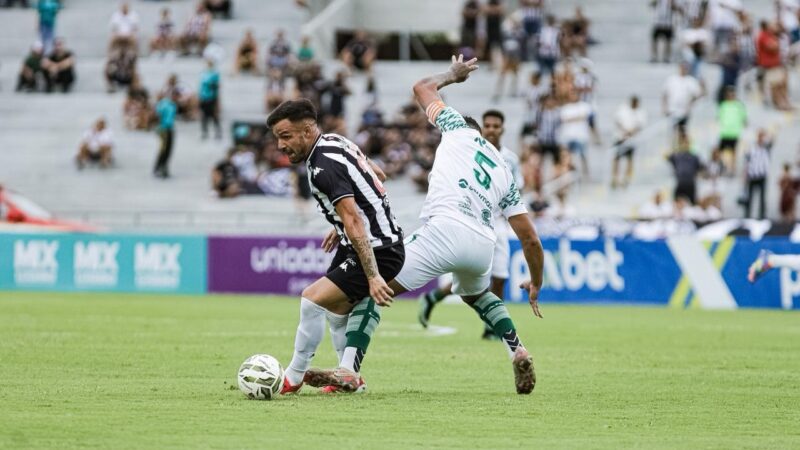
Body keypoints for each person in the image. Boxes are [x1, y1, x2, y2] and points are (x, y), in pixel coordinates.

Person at [304, 56, 544, 395]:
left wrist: (453, 75)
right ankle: (517, 349)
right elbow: (530, 238)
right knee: (478, 295)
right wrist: (536, 282)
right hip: (481, 245)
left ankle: (347, 369)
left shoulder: (457, 128)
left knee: (373, 284)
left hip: (444, 230)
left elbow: (421, 88)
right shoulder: (504, 170)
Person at [266, 99, 403, 395]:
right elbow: (377, 175)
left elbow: (354, 218)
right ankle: (348, 378)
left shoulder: (322, 165)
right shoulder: (335, 141)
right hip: (369, 239)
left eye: (286, 136)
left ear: (306, 130)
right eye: (277, 137)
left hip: (379, 248)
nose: (280, 145)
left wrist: (373, 275)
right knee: (336, 311)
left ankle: (294, 376)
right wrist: (337, 222)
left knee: (311, 299)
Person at [418, 108, 526, 341]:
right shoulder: (468, 147)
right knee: (470, 277)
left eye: (496, 126)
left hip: (498, 221)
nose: (492, 130)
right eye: (488, 125)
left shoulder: (510, 160)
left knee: (499, 276)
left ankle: (488, 327)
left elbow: (518, 191)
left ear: (502, 129)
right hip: (472, 218)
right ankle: (438, 297)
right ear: (483, 127)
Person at [611, 95, 648, 188]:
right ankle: (615, 178)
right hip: (620, 137)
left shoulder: (641, 112)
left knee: (629, 159)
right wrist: (625, 131)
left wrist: (630, 132)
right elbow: (617, 121)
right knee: (616, 158)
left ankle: (626, 179)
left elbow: (640, 126)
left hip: (631, 139)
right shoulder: (623, 109)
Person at [662, 63, 703, 139]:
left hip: (684, 111)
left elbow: (698, 94)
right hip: (672, 109)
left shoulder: (690, 81)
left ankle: (682, 146)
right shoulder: (672, 79)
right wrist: (665, 107)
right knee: (672, 131)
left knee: (683, 131)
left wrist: (690, 104)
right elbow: (665, 94)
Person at [559, 90, 592, 177]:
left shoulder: (584, 106)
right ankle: (568, 174)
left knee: (583, 156)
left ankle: (586, 174)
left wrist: (572, 118)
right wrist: (577, 117)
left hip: (581, 136)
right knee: (567, 157)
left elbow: (586, 116)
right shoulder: (566, 107)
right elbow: (564, 119)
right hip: (568, 136)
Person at [716, 86, 746, 175]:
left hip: (734, 132)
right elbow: (719, 117)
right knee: (721, 151)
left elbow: (744, 118)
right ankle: (720, 167)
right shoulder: (723, 105)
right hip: (725, 132)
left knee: (733, 152)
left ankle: (732, 169)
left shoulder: (739, 106)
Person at [667, 131, 703, 204]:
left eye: (686, 142)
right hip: (680, 183)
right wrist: (675, 143)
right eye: (683, 142)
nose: (685, 144)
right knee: (676, 203)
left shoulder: (694, 156)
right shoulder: (677, 156)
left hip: (690, 183)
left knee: (693, 204)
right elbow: (667, 156)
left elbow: (700, 169)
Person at [743, 129, 771, 219]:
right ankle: (747, 215)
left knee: (762, 198)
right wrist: (745, 175)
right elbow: (747, 162)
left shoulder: (766, 148)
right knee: (749, 197)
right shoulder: (752, 148)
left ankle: (762, 216)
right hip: (752, 176)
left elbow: (772, 140)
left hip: (762, 176)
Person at [154, 93, 177, 178]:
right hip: (164, 129)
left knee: (169, 150)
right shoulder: (164, 104)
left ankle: (164, 167)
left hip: (170, 128)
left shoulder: (173, 105)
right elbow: (157, 115)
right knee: (163, 150)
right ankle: (159, 168)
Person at [198, 59, 221, 139]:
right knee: (204, 116)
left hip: (211, 98)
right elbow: (201, 87)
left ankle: (217, 132)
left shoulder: (215, 74)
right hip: (204, 97)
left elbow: (216, 87)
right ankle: (205, 132)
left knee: (214, 116)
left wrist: (217, 100)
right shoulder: (203, 74)